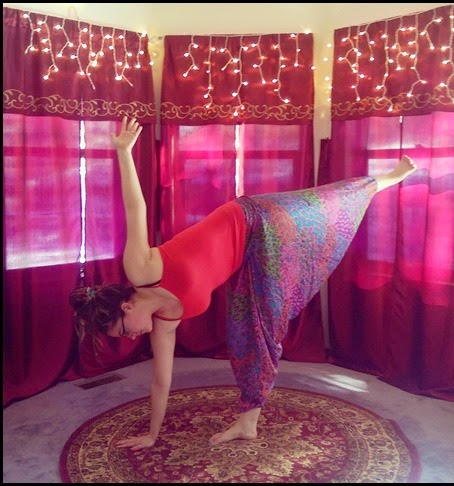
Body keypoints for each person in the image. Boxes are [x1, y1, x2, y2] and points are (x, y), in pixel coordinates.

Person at [69, 116, 417, 450]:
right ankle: (248, 422)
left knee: (321, 206)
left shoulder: (142, 270)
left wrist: (124, 152)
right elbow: (161, 382)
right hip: (248, 264)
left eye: (124, 330)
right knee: (249, 334)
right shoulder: (165, 322)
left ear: (126, 306)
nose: (131, 338)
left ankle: (386, 179)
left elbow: (135, 209)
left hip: (253, 219)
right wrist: (151, 434)